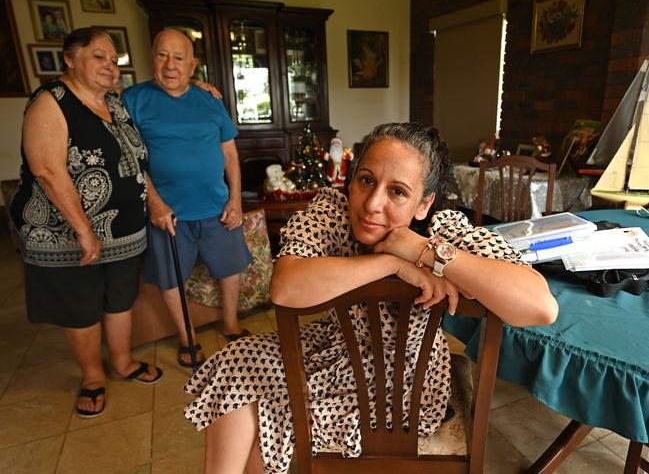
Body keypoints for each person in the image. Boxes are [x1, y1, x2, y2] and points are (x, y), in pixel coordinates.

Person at [183, 122, 559, 474]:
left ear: (424, 204)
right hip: (329, 352)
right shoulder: (334, 210)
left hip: (404, 392)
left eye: (398, 191)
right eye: (366, 181)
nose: (372, 204)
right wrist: (389, 265)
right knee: (234, 365)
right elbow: (285, 286)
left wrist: (425, 251)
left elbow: (540, 306)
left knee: (263, 416)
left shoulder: (443, 228)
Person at [9, 27, 163, 420]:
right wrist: (82, 228)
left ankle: (123, 363)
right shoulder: (51, 101)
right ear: (69, 59)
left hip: (125, 230)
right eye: (99, 56)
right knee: (80, 307)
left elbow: (136, 164)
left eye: (114, 60)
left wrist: (156, 204)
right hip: (66, 235)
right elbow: (46, 169)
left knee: (120, 299)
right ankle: (93, 376)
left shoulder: (116, 103)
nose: (110, 66)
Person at [122, 29, 252, 368]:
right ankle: (188, 338)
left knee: (230, 269)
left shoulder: (209, 99)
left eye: (179, 58)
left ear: (192, 65)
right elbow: (129, 157)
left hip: (217, 206)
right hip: (168, 213)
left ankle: (230, 323)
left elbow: (230, 154)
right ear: (152, 57)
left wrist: (235, 199)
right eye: (162, 55)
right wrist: (155, 202)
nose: (170, 65)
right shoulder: (132, 99)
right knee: (170, 277)